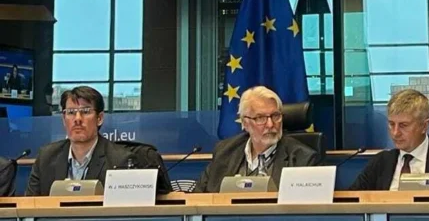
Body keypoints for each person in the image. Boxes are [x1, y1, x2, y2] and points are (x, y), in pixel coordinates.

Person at [25, 86, 169, 196]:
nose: (77, 119)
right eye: (71, 112)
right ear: (63, 119)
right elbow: (29, 208)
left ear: (99, 118)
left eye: (85, 111)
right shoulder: (46, 158)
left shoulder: (120, 160)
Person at [195, 86, 319, 192]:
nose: (270, 124)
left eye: (275, 116)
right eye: (260, 118)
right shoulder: (224, 152)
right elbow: (199, 195)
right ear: (245, 123)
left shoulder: (302, 159)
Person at [349, 89, 429, 190]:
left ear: (424, 126)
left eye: (403, 125)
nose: (395, 133)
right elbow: (351, 202)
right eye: (391, 124)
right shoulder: (380, 163)